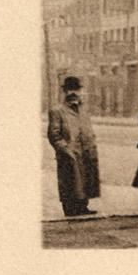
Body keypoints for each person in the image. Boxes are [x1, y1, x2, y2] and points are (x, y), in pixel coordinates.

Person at [48, 76, 100, 217]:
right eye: (70, 90)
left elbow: (87, 128)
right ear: (65, 92)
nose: (73, 93)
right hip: (69, 154)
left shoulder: (83, 109)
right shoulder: (57, 110)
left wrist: (92, 145)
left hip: (85, 151)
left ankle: (83, 206)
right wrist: (65, 149)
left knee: (85, 181)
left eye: (76, 89)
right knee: (70, 182)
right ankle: (70, 209)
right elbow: (54, 135)